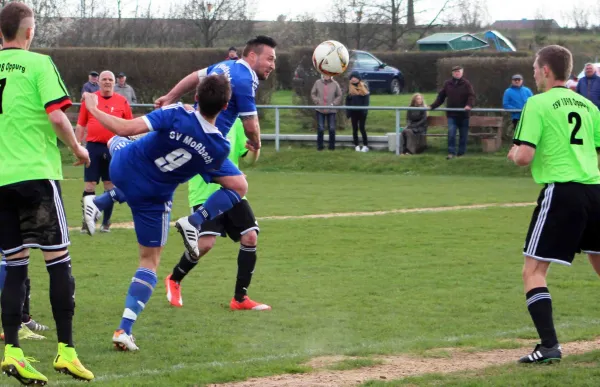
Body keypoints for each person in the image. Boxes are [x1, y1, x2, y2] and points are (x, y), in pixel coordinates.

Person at [81, 74, 251, 351]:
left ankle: (97, 202)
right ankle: (124, 329)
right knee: (149, 262)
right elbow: (218, 173)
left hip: (123, 168)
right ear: (225, 106)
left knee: (119, 142)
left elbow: (125, 128)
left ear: (196, 98)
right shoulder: (219, 147)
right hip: (153, 197)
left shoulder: (175, 112)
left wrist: (93, 108)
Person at [0, 2, 94, 384]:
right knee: (58, 263)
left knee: (15, 266)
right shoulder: (39, 64)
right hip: (36, 176)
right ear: (28, 32)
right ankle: (66, 352)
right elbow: (56, 115)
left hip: (0, 181)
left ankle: (13, 353)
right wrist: (78, 149)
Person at [509, 44, 600, 364]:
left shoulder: (537, 103)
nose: (534, 73)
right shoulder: (589, 106)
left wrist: (513, 152)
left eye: (535, 68)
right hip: (596, 191)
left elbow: (524, 156)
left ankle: (548, 346)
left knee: (533, 270)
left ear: (546, 70)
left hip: (563, 192)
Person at [154, 35, 276, 259]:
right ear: (251, 56)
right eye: (269, 59)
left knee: (159, 171)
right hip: (207, 143)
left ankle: (104, 199)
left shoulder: (225, 66)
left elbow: (194, 77)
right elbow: (251, 125)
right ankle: (193, 221)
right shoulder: (245, 79)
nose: (272, 65)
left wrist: (170, 96)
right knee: (239, 185)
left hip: (189, 133)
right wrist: (256, 142)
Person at [165, 118, 270, 311]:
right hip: (204, 193)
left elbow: (247, 159)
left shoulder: (237, 122)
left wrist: (255, 149)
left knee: (250, 237)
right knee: (205, 244)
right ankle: (174, 279)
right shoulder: (198, 120)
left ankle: (240, 298)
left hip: (233, 191)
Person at [76, 71, 133, 234]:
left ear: (114, 83)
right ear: (98, 82)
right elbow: (80, 125)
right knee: (89, 185)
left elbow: (129, 126)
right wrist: (77, 146)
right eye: (104, 79)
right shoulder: (89, 100)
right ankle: (87, 222)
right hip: (93, 147)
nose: (107, 82)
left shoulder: (122, 101)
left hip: (113, 148)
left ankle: (106, 223)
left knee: (110, 185)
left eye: (110, 79)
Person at [430, 65, 476, 159]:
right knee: (451, 133)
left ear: (462, 73)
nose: (457, 73)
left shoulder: (466, 84)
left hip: (464, 115)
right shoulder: (447, 84)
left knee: (463, 135)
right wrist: (432, 106)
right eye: (455, 72)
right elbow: (441, 97)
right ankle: (451, 152)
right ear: (452, 73)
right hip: (452, 114)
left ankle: (461, 153)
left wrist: (468, 105)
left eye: (459, 71)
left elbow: (471, 96)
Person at [311, 74, 342, 151]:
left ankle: (331, 147)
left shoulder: (335, 84)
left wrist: (334, 103)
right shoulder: (317, 82)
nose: (326, 76)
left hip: (331, 110)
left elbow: (339, 95)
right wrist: (317, 101)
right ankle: (320, 147)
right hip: (320, 109)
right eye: (325, 74)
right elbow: (313, 93)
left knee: (331, 128)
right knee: (320, 128)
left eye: (328, 75)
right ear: (323, 75)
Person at [345, 71, 370, 152]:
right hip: (353, 112)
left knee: (362, 128)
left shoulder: (364, 87)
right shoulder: (349, 89)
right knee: (354, 129)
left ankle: (365, 145)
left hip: (362, 112)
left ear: (358, 78)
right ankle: (356, 145)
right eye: (352, 78)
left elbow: (366, 101)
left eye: (355, 77)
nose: (353, 79)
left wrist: (365, 111)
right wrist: (348, 112)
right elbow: (347, 101)